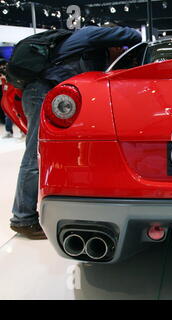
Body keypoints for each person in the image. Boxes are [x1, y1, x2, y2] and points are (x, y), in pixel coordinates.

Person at [9, 23, 142, 239]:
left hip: (42, 93)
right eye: (119, 47)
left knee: (41, 154)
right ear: (109, 38)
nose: (120, 51)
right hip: (41, 93)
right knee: (35, 155)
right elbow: (133, 33)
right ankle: (22, 218)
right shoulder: (90, 35)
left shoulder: (83, 48)